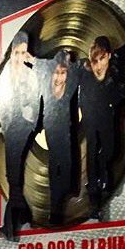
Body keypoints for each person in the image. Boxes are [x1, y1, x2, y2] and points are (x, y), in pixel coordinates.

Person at [78, 36, 125, 219]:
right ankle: (94, 198)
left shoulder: (115, 72)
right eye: (95, 60)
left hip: (107, 118)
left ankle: (102, 174)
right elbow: (83, 96)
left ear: (109, 56)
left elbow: (120, 96)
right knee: (92, 152)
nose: (98, 64)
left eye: (102, 59)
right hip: (91, 119)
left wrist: (108, 82)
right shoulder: (86, 72)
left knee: (110, 150)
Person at [0, 31, 41, 240]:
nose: (19, 57)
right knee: (13, 176)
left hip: (23, 125)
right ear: (12, 52)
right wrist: (4, 126)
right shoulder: (5, 75)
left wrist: (30, 121)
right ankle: (24, 216)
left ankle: (10, 226)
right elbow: (2, 103)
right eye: (17, 53)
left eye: (24, 53)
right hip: (9, 126)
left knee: (13, 175)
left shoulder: (30, 74)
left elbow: (36, 99)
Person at [42, 50, 78, 225]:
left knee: (65, 165)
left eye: (63, 72)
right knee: (55, 165)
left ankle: (62, 196)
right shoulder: (45, 86)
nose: (59, 77)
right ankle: (55, 208)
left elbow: (77, 71)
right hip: (52, 130)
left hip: (66, 131)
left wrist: (69, 60)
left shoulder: (70, 85)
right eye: (56, 72)